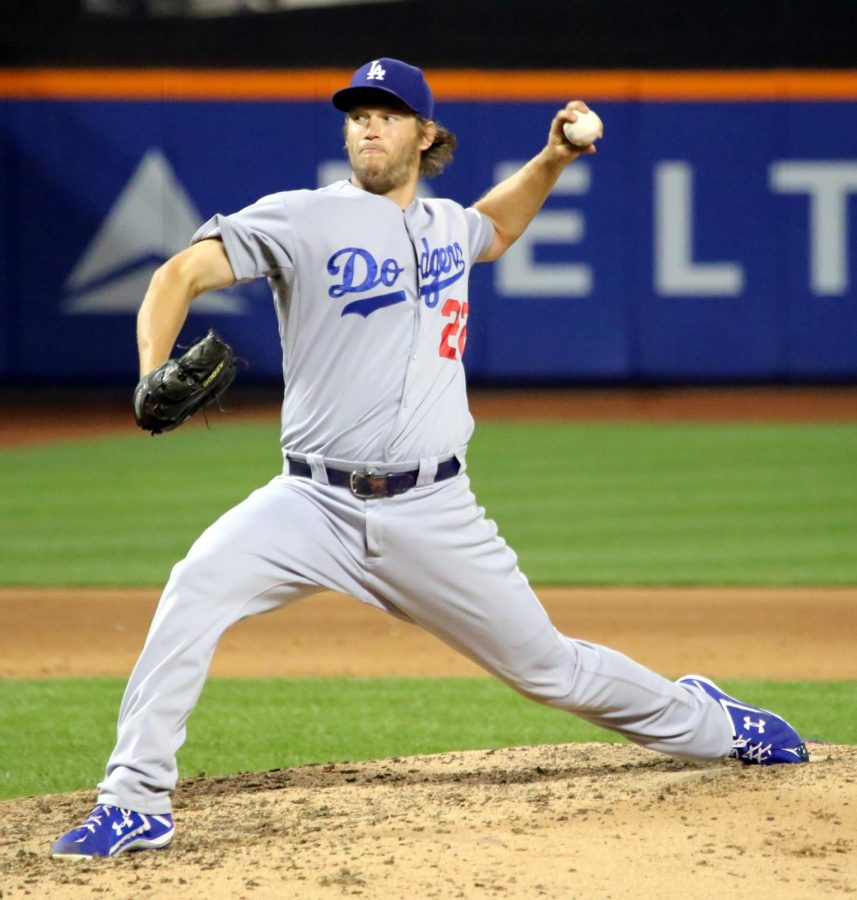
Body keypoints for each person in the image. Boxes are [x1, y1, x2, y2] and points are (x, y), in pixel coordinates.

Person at [51, 58, 808, 860]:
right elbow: (180, 272)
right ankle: (134, 800)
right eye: (356, 114)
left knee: (549, 670)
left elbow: (498, 227)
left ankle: (710, 721)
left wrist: (552, 158)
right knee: (194, 586)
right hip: (311, 504)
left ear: (425, 133)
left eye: (386, 113)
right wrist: (148, 370)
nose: (367, 126)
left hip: (433, 512)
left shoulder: (447, 224)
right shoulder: (301, 217)